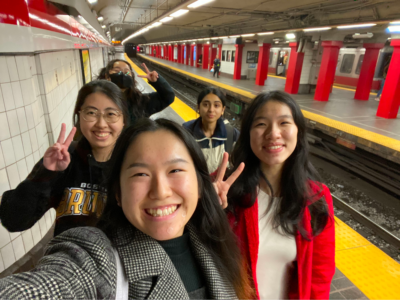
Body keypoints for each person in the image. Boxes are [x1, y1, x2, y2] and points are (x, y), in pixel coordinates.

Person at [0, 118, 253, 300]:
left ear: (199, 183)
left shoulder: (213, 240)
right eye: (140, 174)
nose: (161, 191)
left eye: (175, 170)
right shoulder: (95, 256)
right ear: (118, 194)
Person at [227, 91, 335, 299]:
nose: (273, 133)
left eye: (284, 123)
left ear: (298, 131)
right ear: (248, 133)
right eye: (260, 124)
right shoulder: (227, 190)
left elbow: (320, 275)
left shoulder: (317, 197)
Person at [0, 80, 129, 236]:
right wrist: (46, 173)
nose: (101, 124)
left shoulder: (132, 163)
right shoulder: (64, 159)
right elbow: (14, 221)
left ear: (123, 120)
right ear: (78, 115)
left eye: (111, 114)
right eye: (91, 113)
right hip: (69, 258)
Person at [98, 59, 175, 122]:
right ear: (107, 76)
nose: (122, 74)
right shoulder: (96, 100)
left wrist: (157, 81)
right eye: (117, 71)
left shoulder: (141, 101)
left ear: (132, 76)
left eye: (127, 72)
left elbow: (168, 97)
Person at [183, 87, 239, 173]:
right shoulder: (186, 132)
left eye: (216, 105)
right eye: (206, 105)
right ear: (198, 107)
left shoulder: (230, 133)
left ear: (222, 110)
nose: (211, 110)